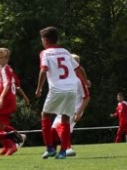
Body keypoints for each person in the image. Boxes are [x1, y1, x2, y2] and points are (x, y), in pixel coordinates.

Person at [36, 27, 90, 160]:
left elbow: (43, 70)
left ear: (45, 40)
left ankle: (50, 148)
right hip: (71, 89)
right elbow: (79, 68)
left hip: (57, 89)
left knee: (45, 115)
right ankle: (62, 152)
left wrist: (39, 88)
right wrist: (86, 81)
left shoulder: (45, 53)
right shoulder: (65, 52)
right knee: (65, 119)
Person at [0, 47, 29, 156]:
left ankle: (11, 145)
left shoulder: (4, 69)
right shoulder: (8, 70)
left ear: (7, 59)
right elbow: (16, 84)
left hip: (6, 100)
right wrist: (25, 97)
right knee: (1, 126)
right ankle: (8, 145)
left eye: (1, 58)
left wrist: (1, 98)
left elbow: (8, 85)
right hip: (10, 101)